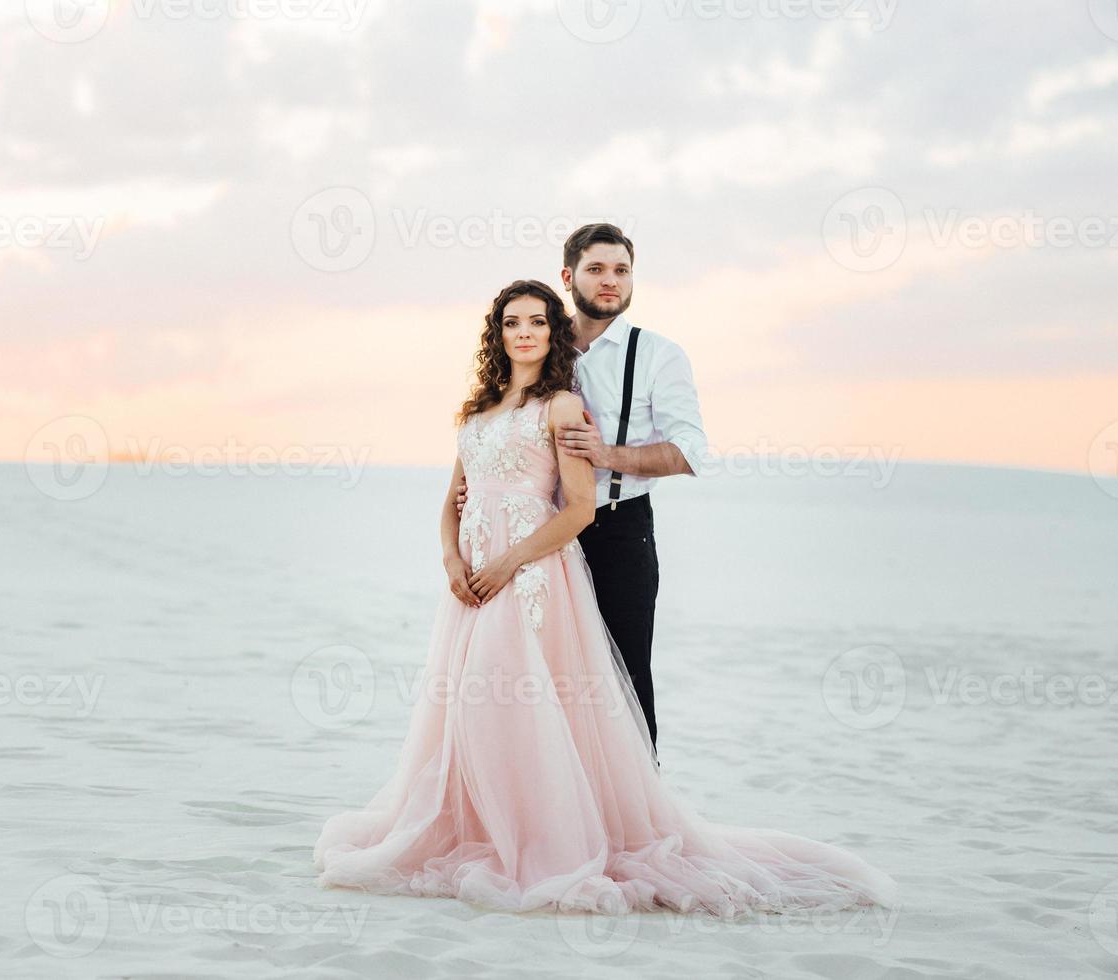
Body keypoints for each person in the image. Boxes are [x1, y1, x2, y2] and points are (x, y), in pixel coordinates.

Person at [311, 279, 898, 915]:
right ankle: (477, 831)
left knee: (520, 702)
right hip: (472, 585)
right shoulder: (475, 413)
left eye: (538, 322)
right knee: (468, 710)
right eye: (513, 322)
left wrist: (509, 562)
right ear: (497, 334)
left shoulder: (561, 407)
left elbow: (582, 509)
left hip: (529, 575)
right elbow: (451, 501)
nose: (525, 332)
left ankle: (542, 839)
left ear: (552, 334)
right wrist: (453, 560)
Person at [456, 222, 705, 758]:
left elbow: (689, 452)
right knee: (534, 678)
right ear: (569, 276)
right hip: (534, 536)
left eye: (621, 270)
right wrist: (482, 491)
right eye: (597, 269)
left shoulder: (658, 354)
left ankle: (636, 813)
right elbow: (500, 425)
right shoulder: (537, 335)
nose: (610, 280)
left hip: (616, 531)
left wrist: (606, 455)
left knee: (622, 678)